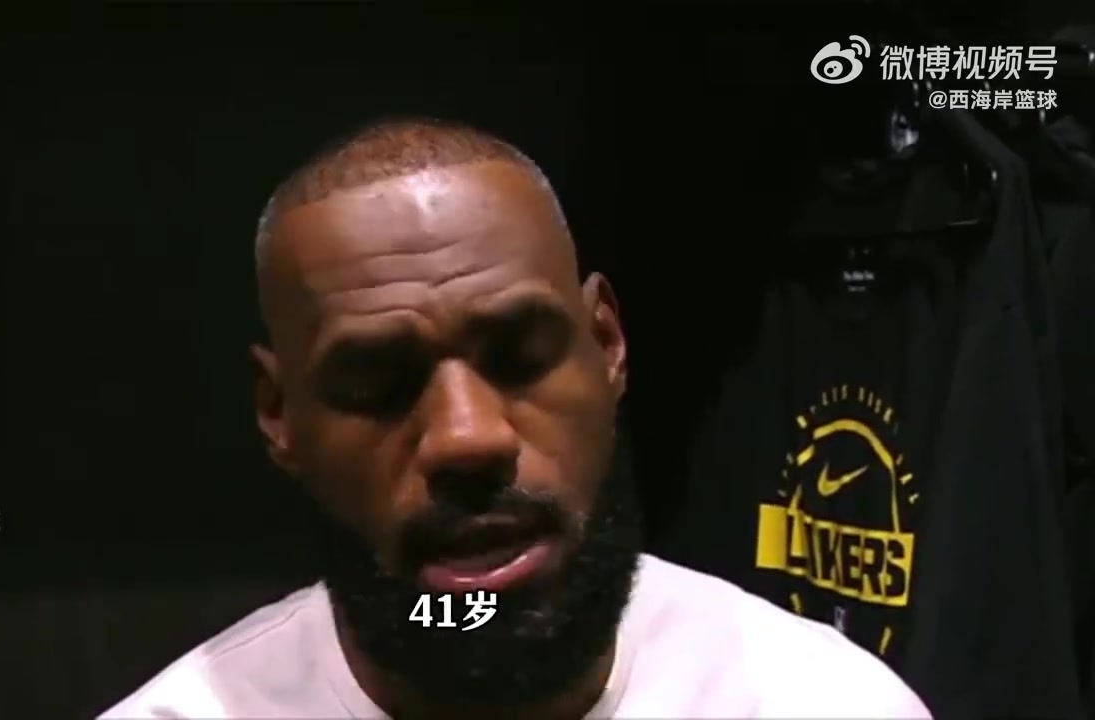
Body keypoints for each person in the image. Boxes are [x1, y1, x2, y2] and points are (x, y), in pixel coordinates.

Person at [99, 117, 931, 719]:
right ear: (281, 415)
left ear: (606, 345)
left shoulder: (820, 703)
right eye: (378, 381)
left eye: (521, 354)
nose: (468, 438)